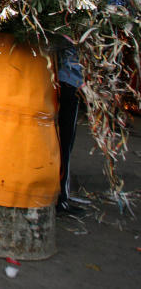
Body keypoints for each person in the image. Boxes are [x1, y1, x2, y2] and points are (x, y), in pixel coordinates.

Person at [56, 43, 83, 215]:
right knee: (64, 140)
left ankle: (57, 195)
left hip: (51, 76)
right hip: (67, 79)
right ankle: (60, 198)